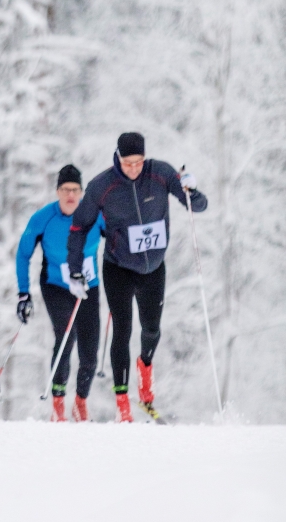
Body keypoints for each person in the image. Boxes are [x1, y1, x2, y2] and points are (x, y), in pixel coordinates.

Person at [67, 132, 206, 422]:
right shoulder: (101, 186)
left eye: (139, 162)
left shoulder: (161, 173)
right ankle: (123, 405)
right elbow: (79, 227)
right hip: (118, 267)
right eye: (128, 163)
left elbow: (197, 206)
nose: (133, 168)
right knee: (122, 331)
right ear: (117, 157)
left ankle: (145, 372)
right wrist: (75, 268)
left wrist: (193, 191)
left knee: (152, 330)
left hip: (154, 268)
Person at [16, 165, 105, 422]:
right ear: (57, 192)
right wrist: (23, 293)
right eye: (65, 190)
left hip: (88, 285)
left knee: (90, 349)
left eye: (75, 190)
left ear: (82, 192)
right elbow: (23, 254)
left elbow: (117, 237)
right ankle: (58, 402)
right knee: (66, 334)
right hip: (56, 284)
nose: (70, 196)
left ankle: (80, 402)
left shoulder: (95, 215)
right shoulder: (44, 218)